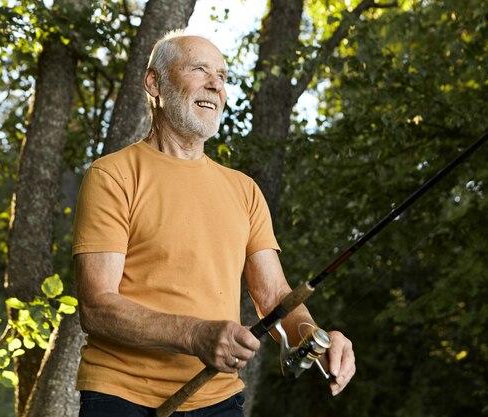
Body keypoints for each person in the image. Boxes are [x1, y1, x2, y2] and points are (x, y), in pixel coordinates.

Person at [72, 30, 356, 417]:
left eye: (222, 76)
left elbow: (274, 299)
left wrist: (313, 339)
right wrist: (195, 334)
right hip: (121, 397)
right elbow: (97, 307)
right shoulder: (113, 176)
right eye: (198, 69)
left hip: (217, 400)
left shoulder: (244, 190)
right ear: (154, 82)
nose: (215, 84)